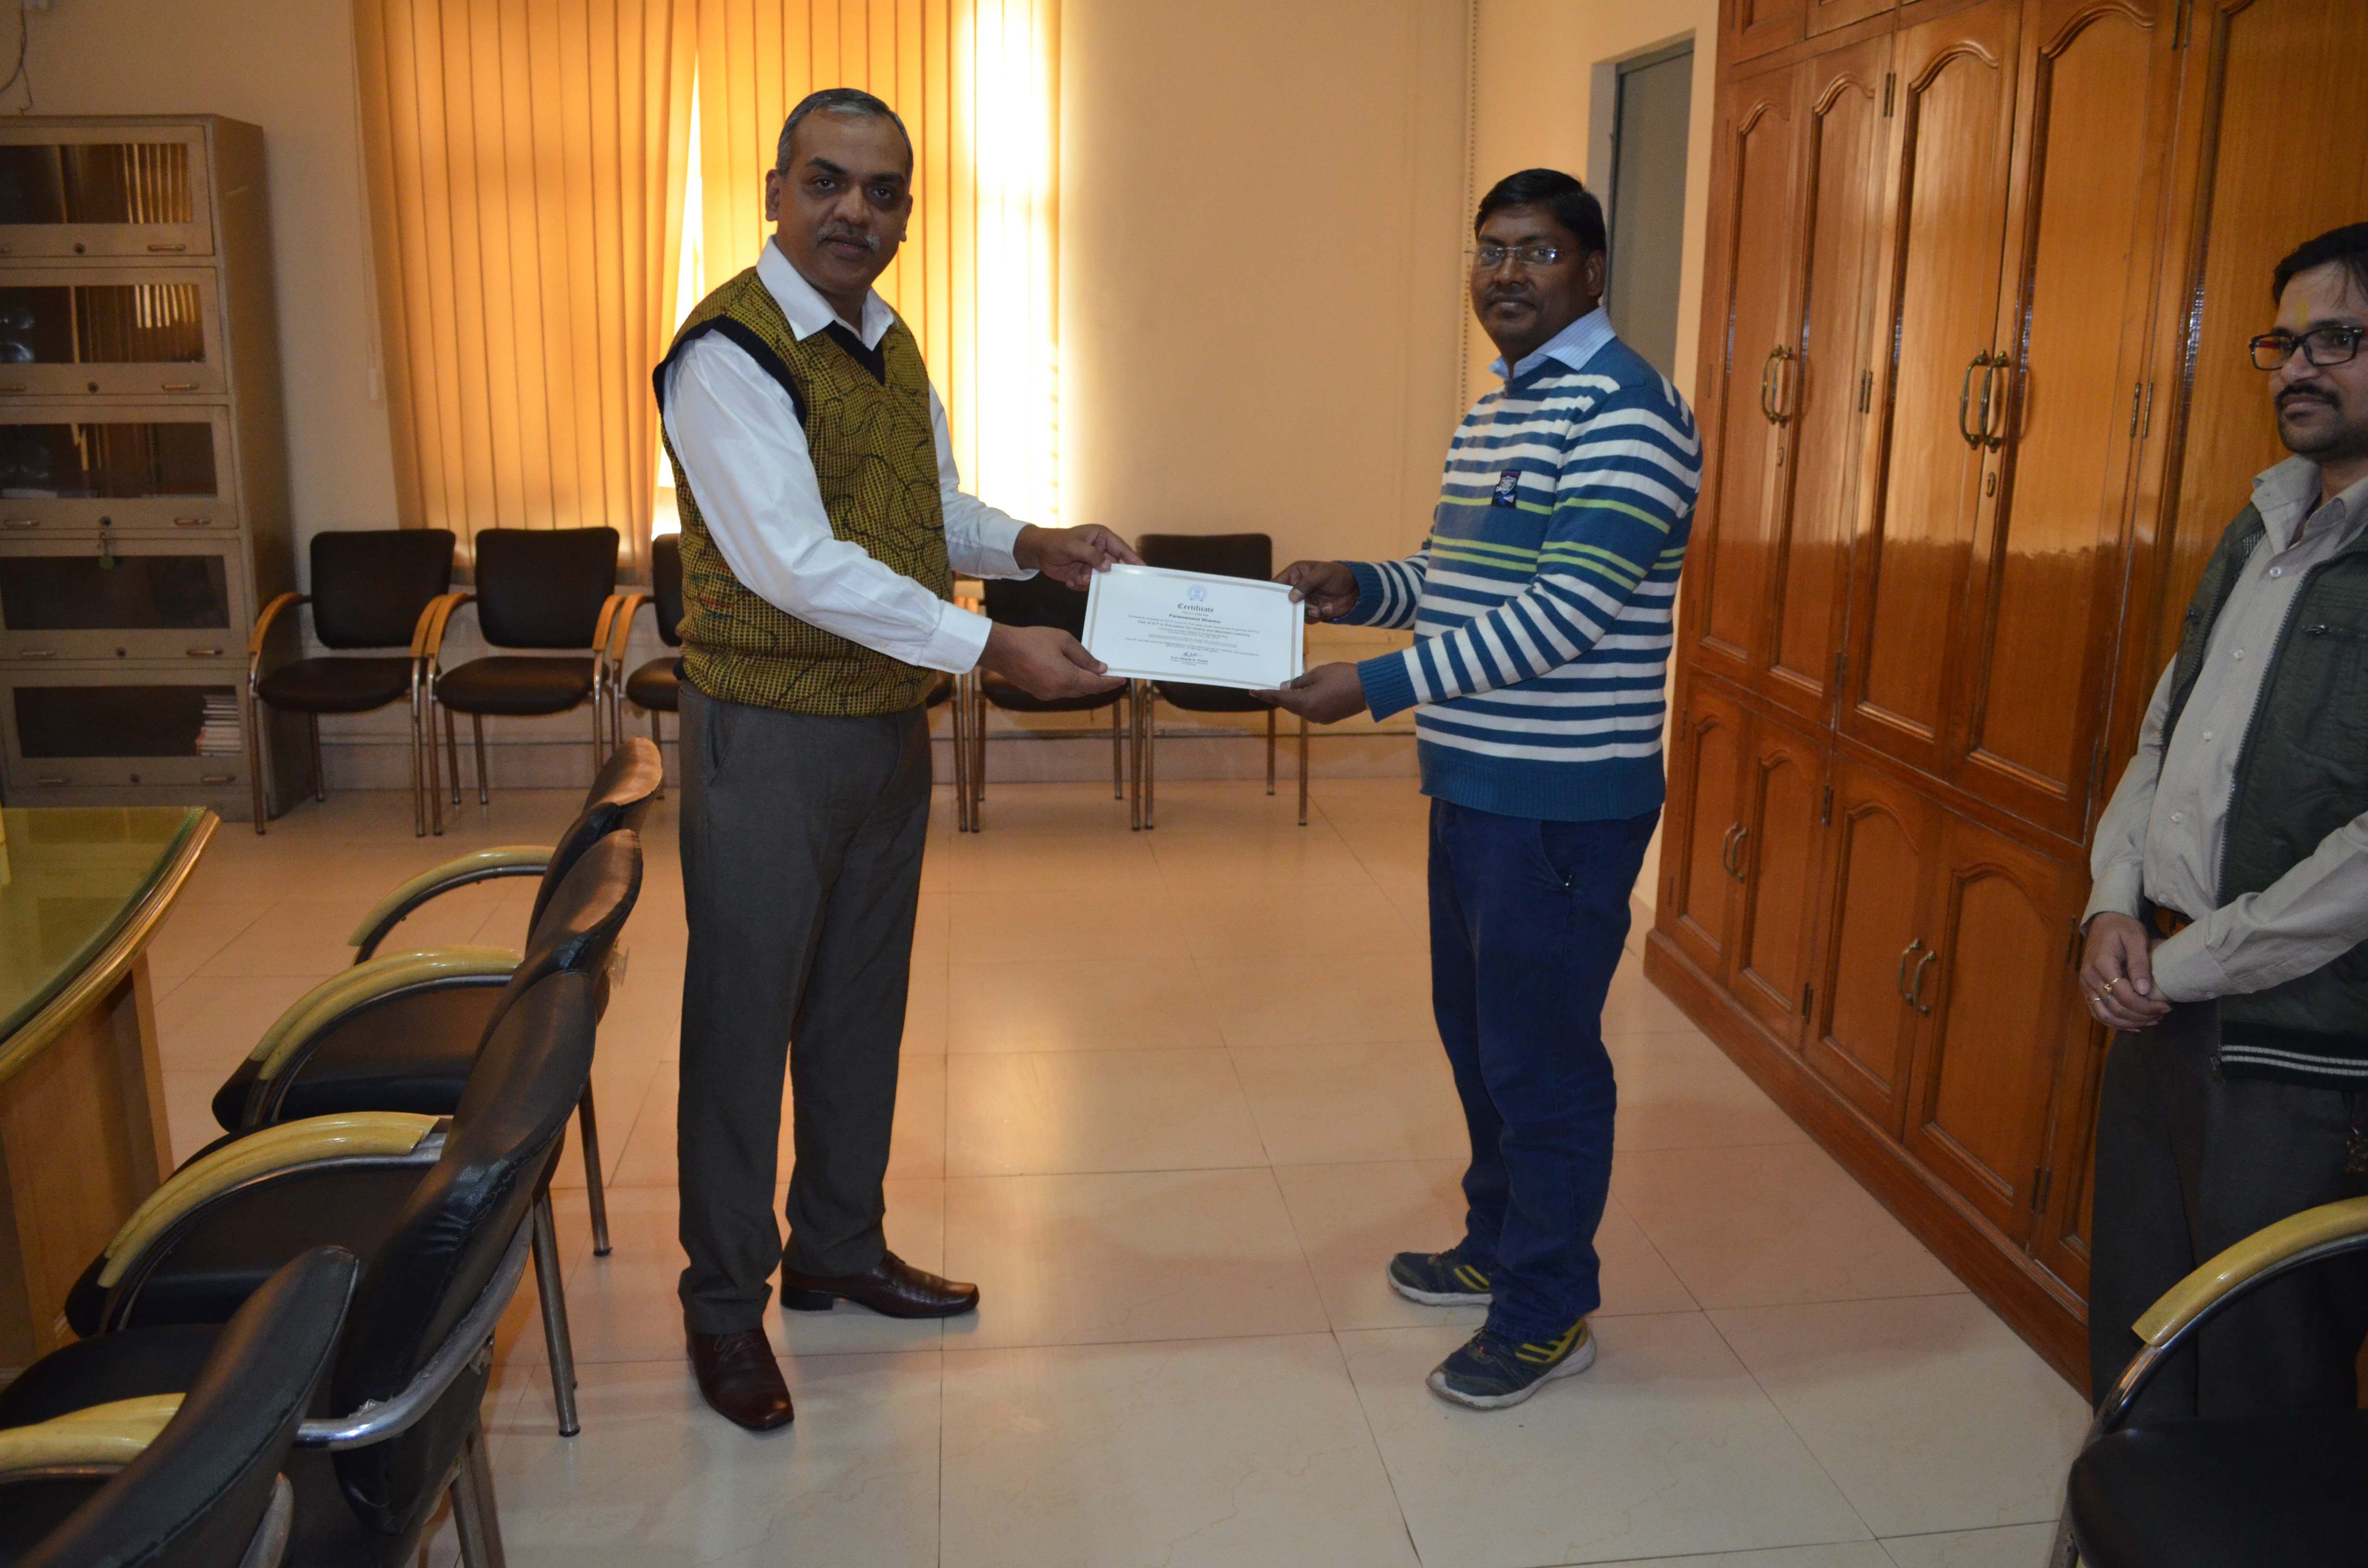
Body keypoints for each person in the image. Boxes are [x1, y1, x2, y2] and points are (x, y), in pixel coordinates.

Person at [654, 88, 1134, 1432]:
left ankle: (837, 1248)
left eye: (881, 192)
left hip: (881, 730)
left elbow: (927, 515)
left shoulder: (887, 340)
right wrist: (992, 646)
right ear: (774, 191)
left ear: (906, 214)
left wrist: (1032, 545)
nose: (853, 212)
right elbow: (795, 564)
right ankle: (722, 1307)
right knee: (744, 1027)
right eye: (826, 181)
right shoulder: (726, 356)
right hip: (768, 737)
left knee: (860, 1010)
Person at [1262, 168, 1699, 1409]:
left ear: (1593, 271)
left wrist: (1375, 688)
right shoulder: (1500, 409)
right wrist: (1361, 586)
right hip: (1478, 787)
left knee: (1542, 1063)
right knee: (1481, 1042)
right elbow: (1462, 582)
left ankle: (1547, 1308)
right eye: (1491, 251)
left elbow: (1566, 613)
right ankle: (1500, 1240)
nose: (1508, 274)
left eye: (1538, 252)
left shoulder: (1627, 413)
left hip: (1561, 802)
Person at [2081, 221, 2368, 1421]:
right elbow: (2167, 731)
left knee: (2262, 1379)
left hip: (2297, 1049)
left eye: (2336, 339)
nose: (2297, 367)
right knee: (2140, 1334)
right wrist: (2112, 901)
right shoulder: (2261, 524)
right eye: (2283, 341)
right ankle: (2129, 1510)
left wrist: (2187, 963)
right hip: (2163, 999)